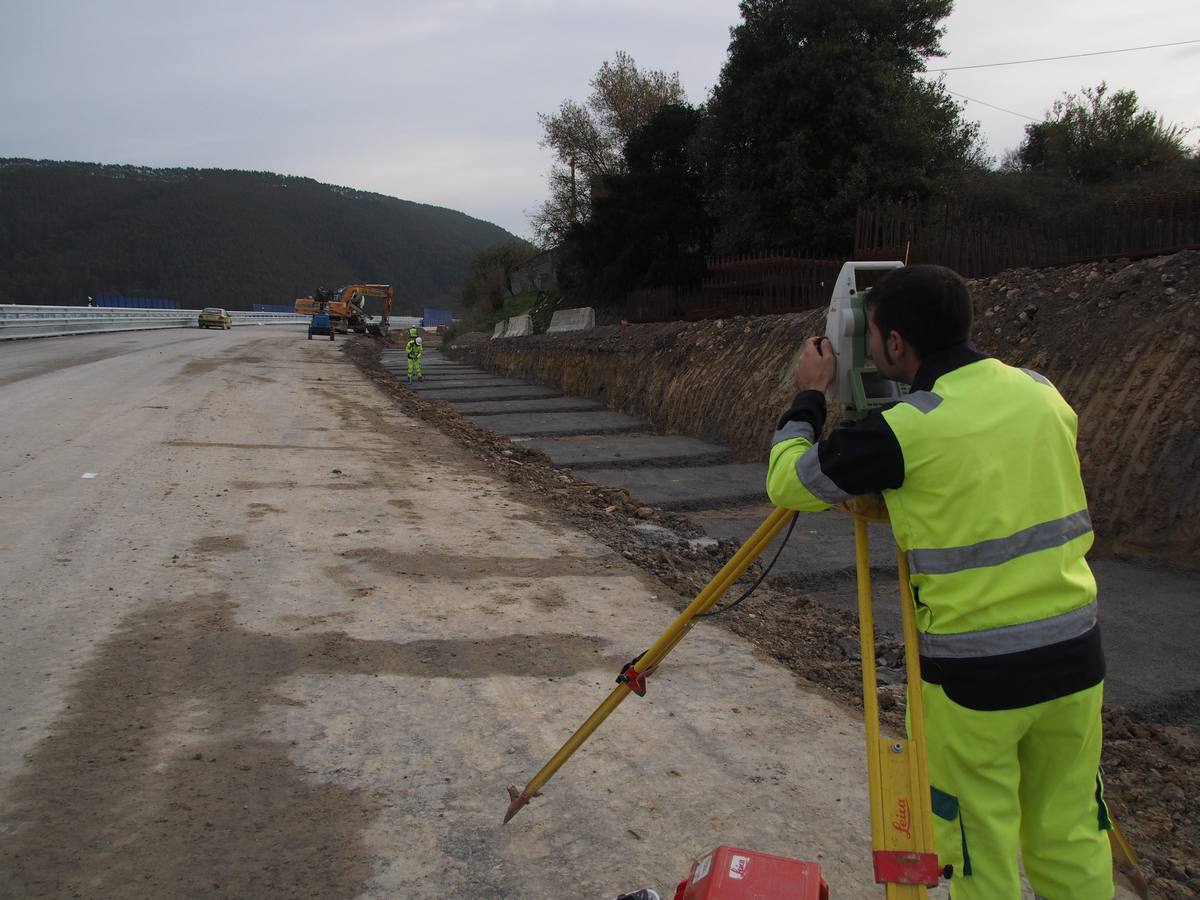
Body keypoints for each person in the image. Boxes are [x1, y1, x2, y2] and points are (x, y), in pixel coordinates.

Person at [766, 265, 1111, 900]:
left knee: (978, 843)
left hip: (979, 677)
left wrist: (809, 398)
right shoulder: (1041, 390)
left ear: (895, 343)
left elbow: (788, 482)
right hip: (1077, 659)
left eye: (870, 336)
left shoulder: (905, 431)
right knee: (1070, 829)